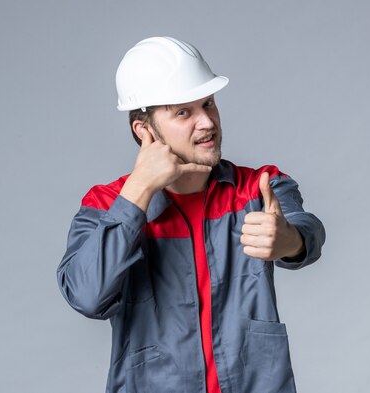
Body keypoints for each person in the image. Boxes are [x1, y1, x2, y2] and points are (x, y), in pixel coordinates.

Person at [57, 36, 326, 393]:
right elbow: (86, 295)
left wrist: (289, 238)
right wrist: (138, 193)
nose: (206, 122)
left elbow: (307, 229)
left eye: (208, 104)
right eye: (183, 112)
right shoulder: (108, 204)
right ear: (145, 130)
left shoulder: (257, 188)